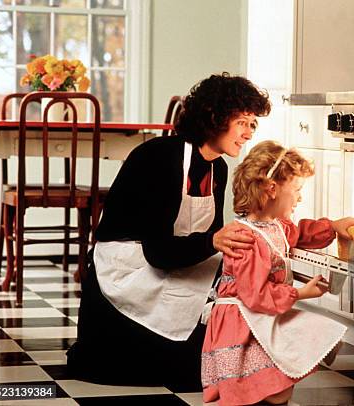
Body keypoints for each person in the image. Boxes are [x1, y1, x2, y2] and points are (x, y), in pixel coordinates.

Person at [66, 73, 271, 387]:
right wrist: (215, 242)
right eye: (242, 121)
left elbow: (207, 242)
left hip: (171, 263)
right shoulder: (158, 158)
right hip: (127, 272)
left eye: (253, 124)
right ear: (214, 117)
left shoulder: (218, 167)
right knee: (198, 372)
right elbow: (159, 252)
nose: (248, 133)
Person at [201, 141, 354, 405]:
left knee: (275, 382)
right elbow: (255, 294)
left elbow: (302, 233)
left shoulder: (276, 226)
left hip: (261, 315)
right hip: (241, 323)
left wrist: (333, 226)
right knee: (261, 386)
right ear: (272, 189)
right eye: (297, 190)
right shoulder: (246, 239)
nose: (300, 197)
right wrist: (299, 292)